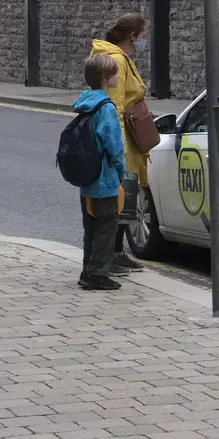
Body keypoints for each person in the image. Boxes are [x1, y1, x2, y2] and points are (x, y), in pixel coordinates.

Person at [90, 13, 151, 275]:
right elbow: (113, 106)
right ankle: (113, 256)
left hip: (129, 136)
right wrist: (120, 152)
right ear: (132, 35)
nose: (144, 38)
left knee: (125, 197)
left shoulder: (119, 57)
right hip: (123, 139)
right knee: (121, 196)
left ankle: (116, 253)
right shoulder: (117, 60)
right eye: (142, 33)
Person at [75, 52, 127, 291]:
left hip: (87, 177)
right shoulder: (106, 108)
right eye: (115, 73)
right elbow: (114, 145)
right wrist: (121, 171)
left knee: (91, 227)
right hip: (105, 178)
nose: (118, 76)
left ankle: (88, 269)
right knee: (107, 225)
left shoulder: (86, 102)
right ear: (106, 77)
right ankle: (97, 274)